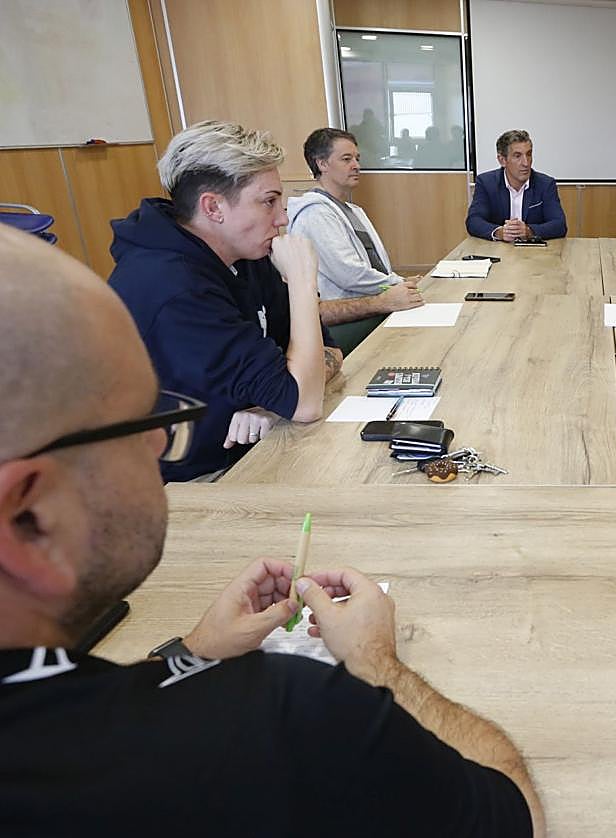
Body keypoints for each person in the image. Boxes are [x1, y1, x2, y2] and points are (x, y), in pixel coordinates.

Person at [0, 221, 545, 836]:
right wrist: (377, 664)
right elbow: (511, 814)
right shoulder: (278, 717)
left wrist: (190, 655)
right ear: (28, 516)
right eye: (135, 421)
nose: (158, 440)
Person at [109, 120, 342, 483]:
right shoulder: (175, 289)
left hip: (250, 449)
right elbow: (305, 403)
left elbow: (328, 353)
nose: (283, 218)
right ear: (213, 207)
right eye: (269, 202)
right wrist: (301, 281)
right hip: (182, 486)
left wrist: (271, 404)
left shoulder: (244, 253)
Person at [289, 128, 424, 354]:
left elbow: (376, 266)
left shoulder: (352, 209)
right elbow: (349, 273)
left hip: (372, 302)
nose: (356, 165)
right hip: (346, 317)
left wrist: (397, 282)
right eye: (346, 159)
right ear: (321, 163)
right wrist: (396, 283)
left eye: (357, 158)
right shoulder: (315, 214)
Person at [466, 130, 567, 241]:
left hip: (535, 253)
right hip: (497, 251)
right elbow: (473, 221)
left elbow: (559, 225)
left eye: (528, 154)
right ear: (502, 160)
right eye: (517, 156)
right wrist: (499, 232)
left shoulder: (545, 184)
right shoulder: (486, 183)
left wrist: (529, 231)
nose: (526, 163)